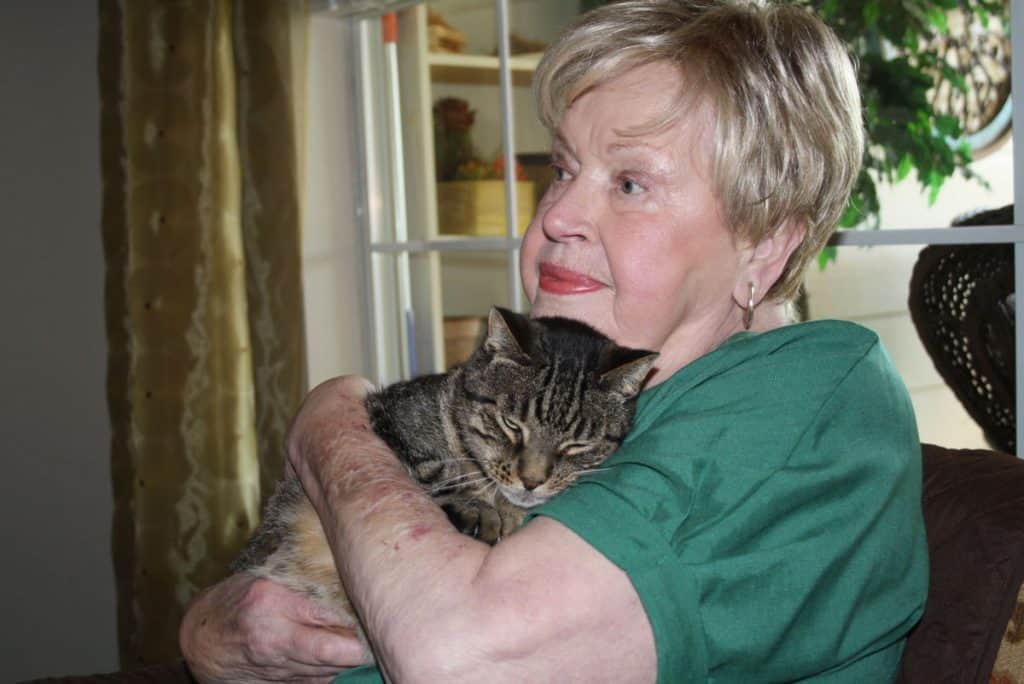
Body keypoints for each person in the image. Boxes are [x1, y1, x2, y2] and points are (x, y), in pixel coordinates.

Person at [180, 1, 928, 681]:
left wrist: (329, 429)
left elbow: (461, 657)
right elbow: (246, 622)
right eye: (564, 168)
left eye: (630, 183)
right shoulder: (586, 393)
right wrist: (210, 633)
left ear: (765, 245)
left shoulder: (807, 395)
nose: (557, 214)